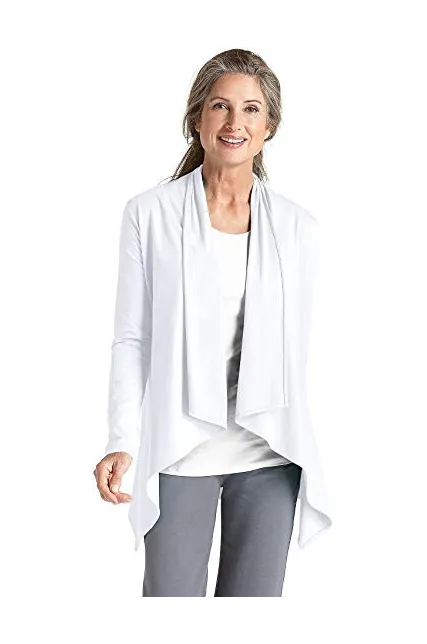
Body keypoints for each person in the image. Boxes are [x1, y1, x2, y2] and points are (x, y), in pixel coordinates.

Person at [93, 48, 335, 600]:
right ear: (197, 118)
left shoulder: (298, 228)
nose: (234, 123)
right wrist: (121, 439)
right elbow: (133, 338)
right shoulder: (149, 214)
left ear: (269, 127)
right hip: (180, 449)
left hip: (269, 453)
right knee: (171, 612)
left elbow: (295, 353)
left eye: (251, 109)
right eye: (220, 106)